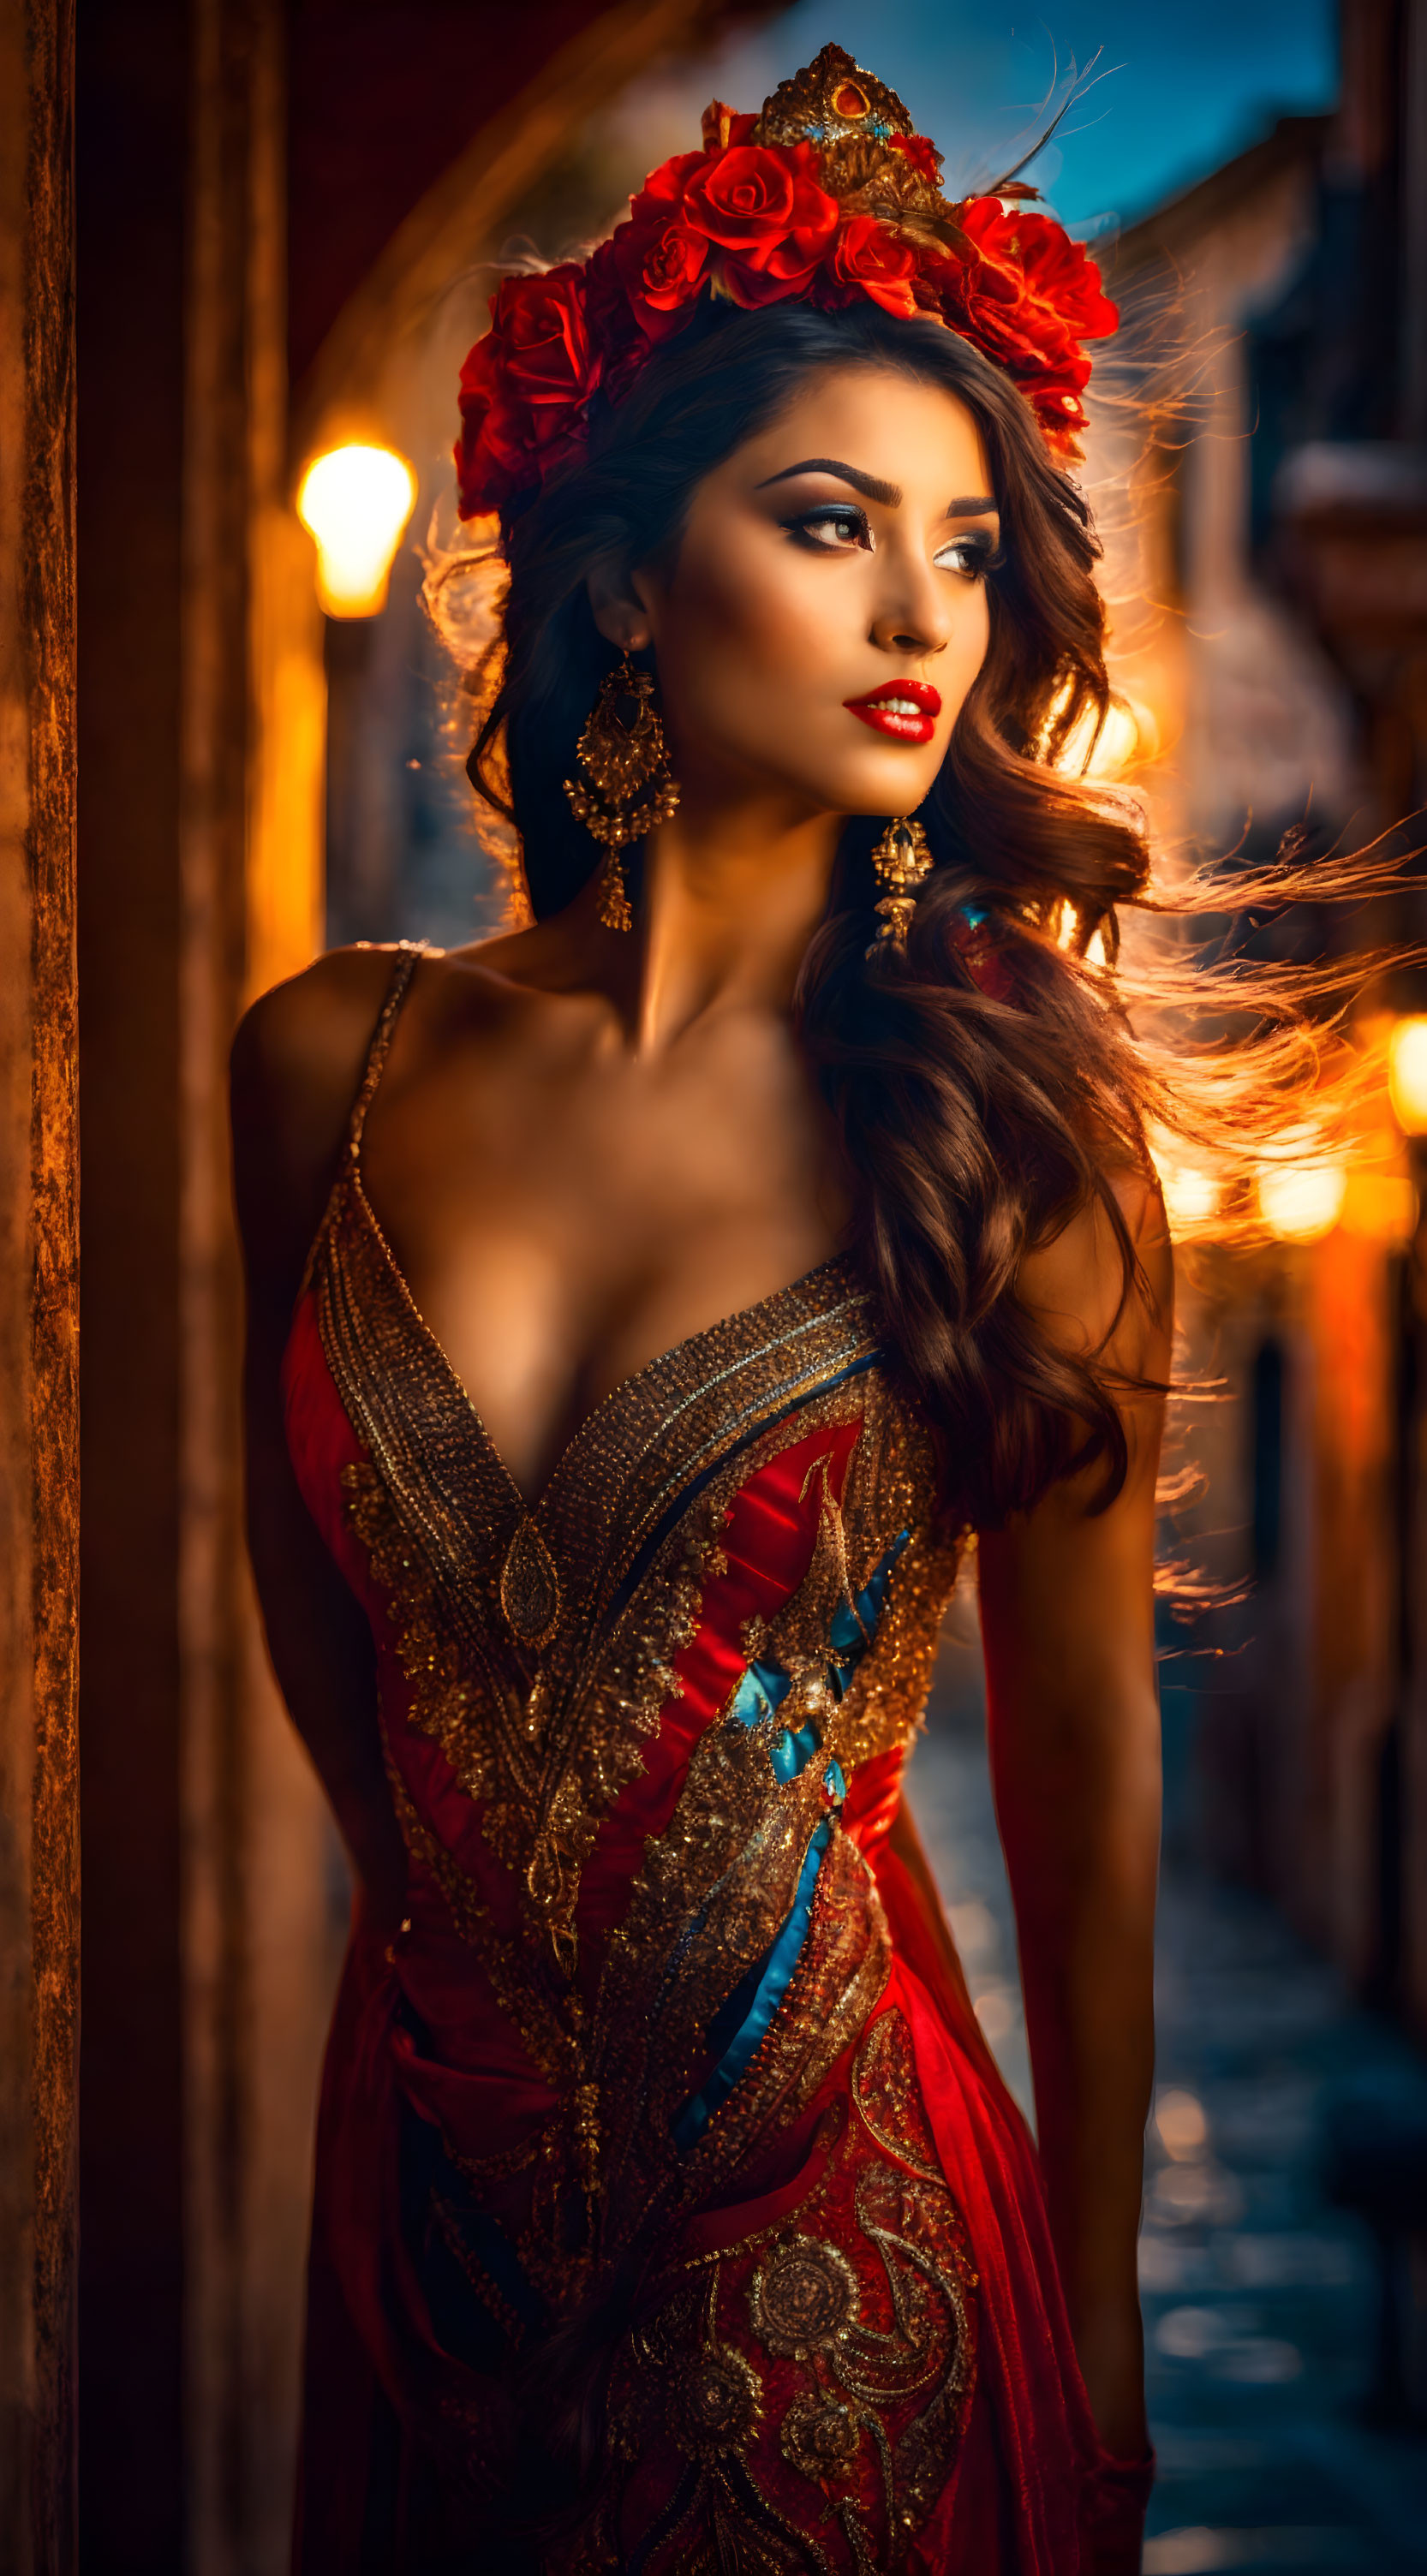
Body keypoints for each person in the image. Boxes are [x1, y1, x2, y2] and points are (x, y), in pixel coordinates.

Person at [234, 45, 1168, 2573]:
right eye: (835, 527)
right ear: (632, 578)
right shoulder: (331, 1058)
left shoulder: (1007, 1135)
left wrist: (1091, 2380)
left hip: (829, 2253)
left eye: (966, 551)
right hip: (420, 2199)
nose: (917, 620)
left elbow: (1083, 1789)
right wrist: (476, 1983)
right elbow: (320, 1624)